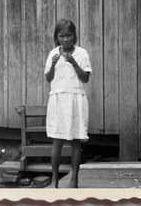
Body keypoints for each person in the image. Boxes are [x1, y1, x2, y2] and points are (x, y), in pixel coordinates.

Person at [44, 19, 91, 188]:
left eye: (69, 35)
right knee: (57, 140)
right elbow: (48, 78)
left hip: (76, 99)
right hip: (58, 99)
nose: (66, 39)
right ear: (57, 37)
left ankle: (74, 180)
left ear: (74, 35)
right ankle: (55, 179)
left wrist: (73, 62)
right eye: (62, 36)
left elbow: (85, 78)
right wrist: (54, 64)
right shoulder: (52, 54)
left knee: (76, 140)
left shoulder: (82, 53)